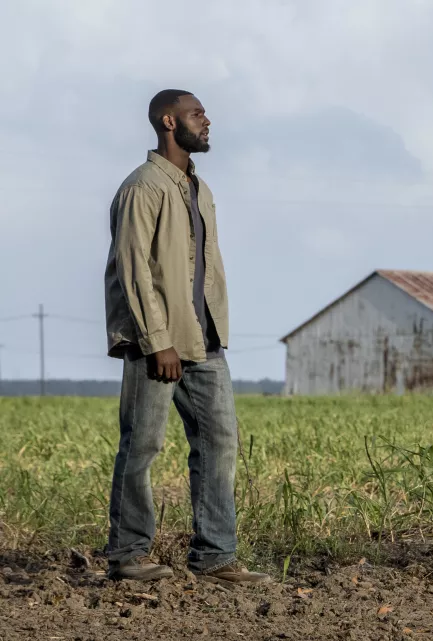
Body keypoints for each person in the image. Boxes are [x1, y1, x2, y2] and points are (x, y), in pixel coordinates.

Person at [102, 89, 269, 585]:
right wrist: (157, 341)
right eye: (198, 114)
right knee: (143, 445)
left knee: (220, 441)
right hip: (157, 345)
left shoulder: (199, 188)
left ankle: (215, 557)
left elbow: (204, 269)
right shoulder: (143, 187)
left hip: (204, 342)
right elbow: (134, 271)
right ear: (169, 122)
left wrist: (212, 330)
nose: (208, 120)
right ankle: (128, 556)